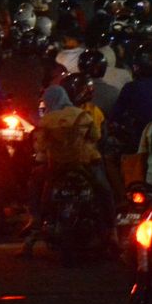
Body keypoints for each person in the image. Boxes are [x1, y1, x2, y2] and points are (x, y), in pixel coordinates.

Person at [24, 73, 107, 255]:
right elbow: (96, 137)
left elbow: (41, 146)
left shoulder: (47, 119)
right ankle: (111, 234)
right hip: (84, 164)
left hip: (56, 165)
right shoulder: (84, 115)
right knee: (104, 194)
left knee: (38, 188)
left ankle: (35, 222)